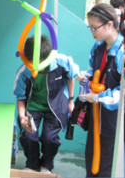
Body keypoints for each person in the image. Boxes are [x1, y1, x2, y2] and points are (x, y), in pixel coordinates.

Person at [13, 35, 79, 174]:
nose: (38, 68)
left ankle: (47, 165)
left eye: (41, 63)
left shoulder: (62, 61)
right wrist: (22, 116)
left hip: (56, 106)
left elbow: (71, 77)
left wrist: (71, 100)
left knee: (49, 138)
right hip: (33, 106)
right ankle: (32, 164)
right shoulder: (24, 71)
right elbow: (21, 97)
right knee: (29, 136)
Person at [77, 3, 125, 177]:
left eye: (94, 27)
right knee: (92, 158)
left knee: (106, 163)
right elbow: (93, 70)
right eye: (89, 28)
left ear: (109, 24)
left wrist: (98, 97)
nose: (92, 32)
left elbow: (123, 92)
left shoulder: (122, 52)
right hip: (96, 114)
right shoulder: (97, 48)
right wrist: (86, 76)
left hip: (113, 118)